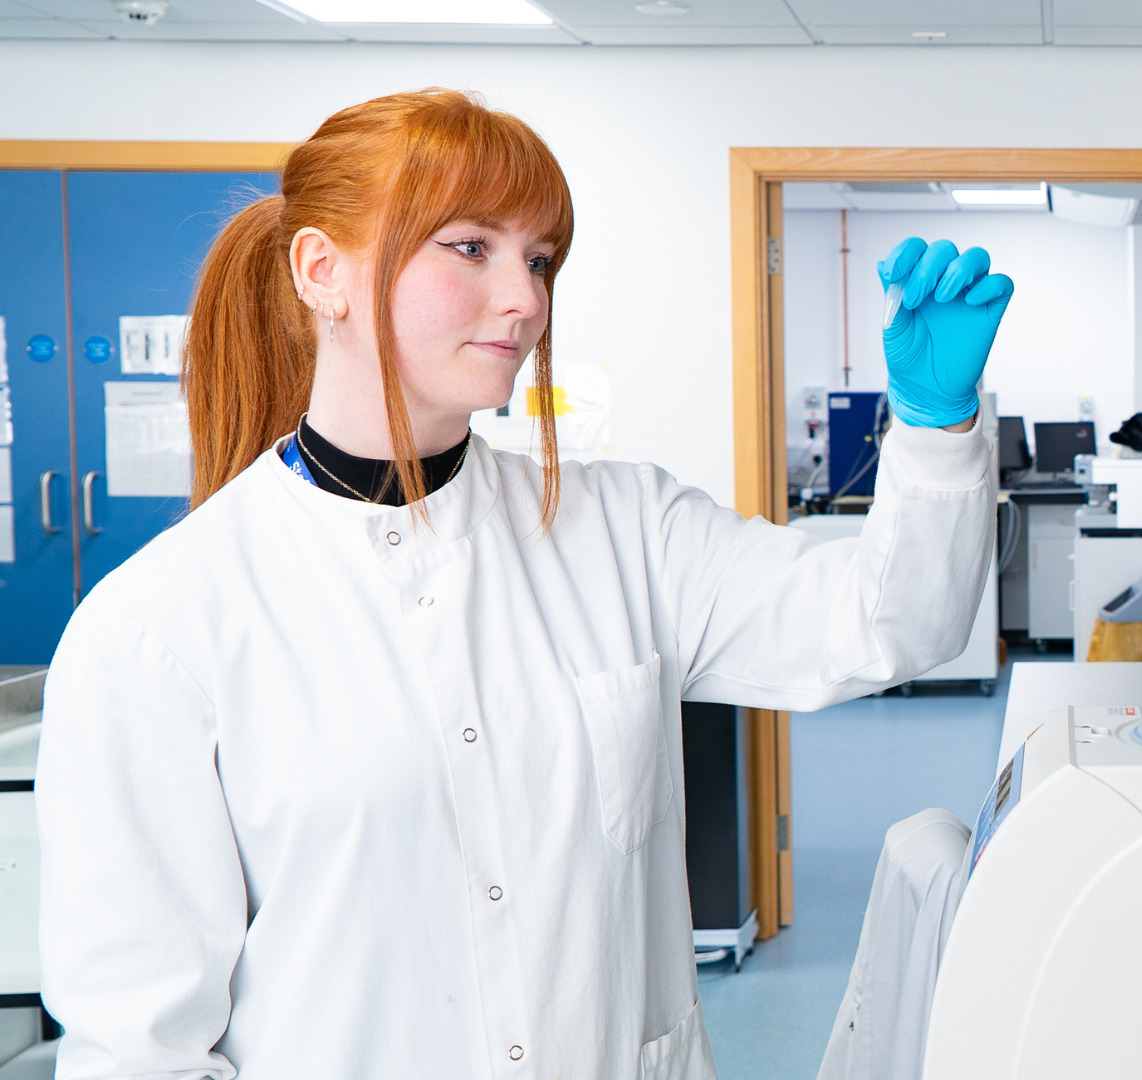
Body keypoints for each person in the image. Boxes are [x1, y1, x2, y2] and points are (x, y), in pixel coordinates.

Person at [36, 89, 1011, 1080]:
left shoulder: (625, 530)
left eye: (539, 259)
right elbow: (139, 1052)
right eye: (470, 248)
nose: (526, 299)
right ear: (322, 270)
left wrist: (936, 428)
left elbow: (891, 624)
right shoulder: (164, 627)